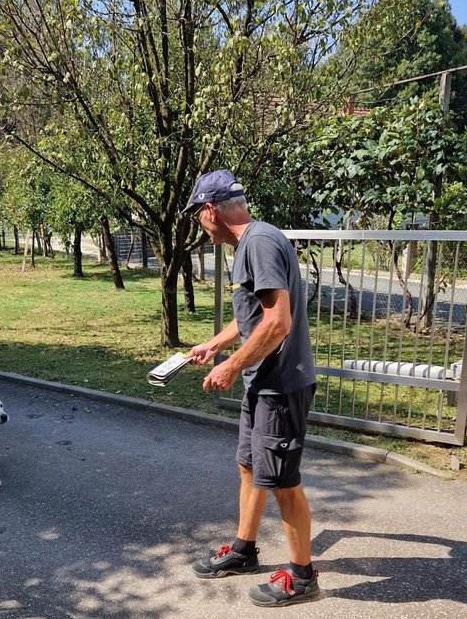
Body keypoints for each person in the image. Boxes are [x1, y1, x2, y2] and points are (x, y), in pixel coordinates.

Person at [183, 169, 319, 607]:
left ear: (210, 212)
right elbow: (253, 319)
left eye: (197, 217)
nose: (199, 226)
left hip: (280, 385)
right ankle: (244, 551)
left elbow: (279, 323)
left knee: (283, 482)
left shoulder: (257, 244)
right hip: (262, 382)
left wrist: (230, 366)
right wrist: (214, 344)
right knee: (250, 466)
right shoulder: (254, 242)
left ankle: (302, 577)